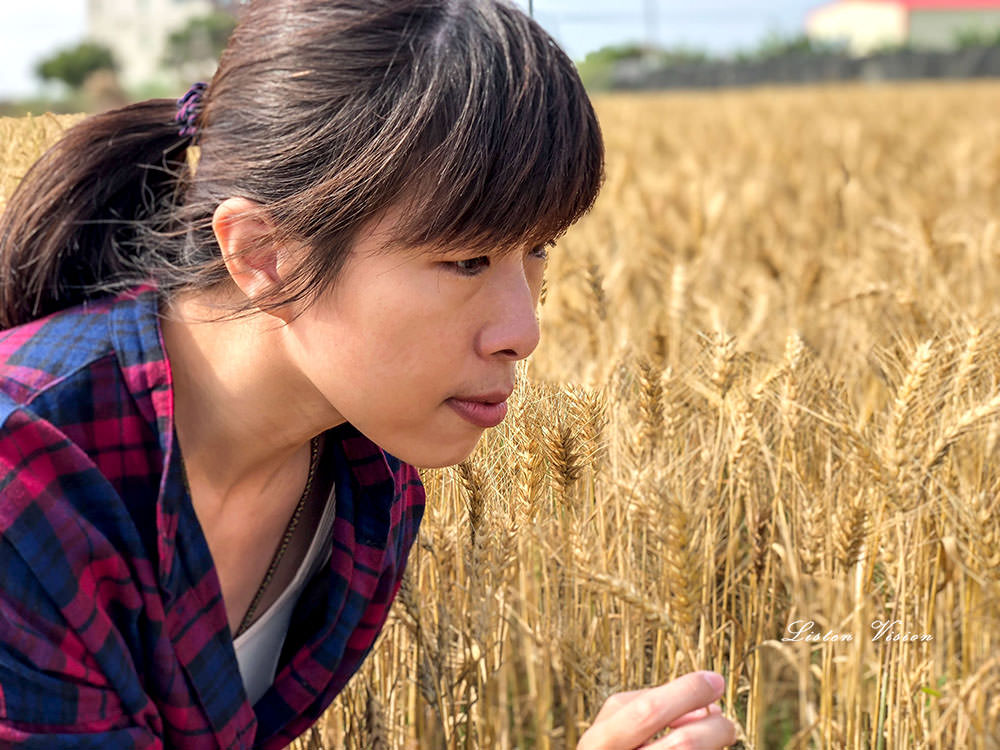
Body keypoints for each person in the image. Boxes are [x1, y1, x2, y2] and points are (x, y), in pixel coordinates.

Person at [0, 1, 737, 748]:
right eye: (466, 260)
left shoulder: (369, 486)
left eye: (539, 248)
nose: (524, 332)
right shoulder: (18, 482)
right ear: (263, 255)